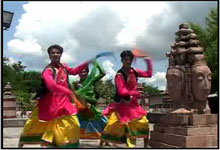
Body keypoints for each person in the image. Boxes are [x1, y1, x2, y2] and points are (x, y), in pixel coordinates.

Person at [18, 44, 90, 148]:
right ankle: (20, 145)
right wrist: (67, 91)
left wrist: (86, 63)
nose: (55, 54)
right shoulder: (48, 70)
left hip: (64, 102)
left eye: (58, 52)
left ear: (61, 54)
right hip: (50, 102)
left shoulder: (63, 66)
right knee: (33, 125)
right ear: (49, 56)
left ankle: (61, 143)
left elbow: (74, 71)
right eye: (53, 53)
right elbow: (51, 86)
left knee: (74, 124)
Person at [101, 50, 153, 147]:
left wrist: (147, 60)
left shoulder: (134, 71)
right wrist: (135, 93)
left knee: (144, 122)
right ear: (122, 60)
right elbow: (122, 91)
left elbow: (149, 74)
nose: (128, 61)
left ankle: (146, 145)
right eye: (126, 59)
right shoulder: (119, 75)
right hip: (121, 105)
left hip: (133, 105)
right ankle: (104, 141)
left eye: (130, 60)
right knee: (114, 126)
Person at [73, 59, 109, 146]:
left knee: (105, 123)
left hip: (91, 108)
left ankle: (105, 141)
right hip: (81, 108)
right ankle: (74, 143)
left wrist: (95, 63)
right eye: (80, 72)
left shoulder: (91, 81)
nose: (82, 73)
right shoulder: (76, 84)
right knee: (75, 125)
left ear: (87, 72)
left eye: (85, 71)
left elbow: (103, 73)